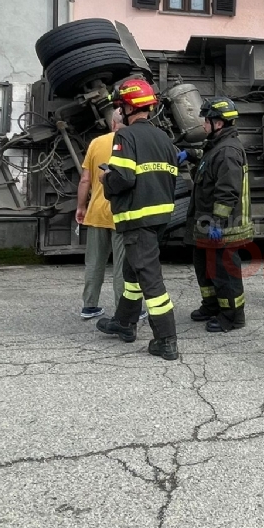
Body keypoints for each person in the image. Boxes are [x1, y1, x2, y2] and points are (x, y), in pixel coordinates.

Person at [97, 77, 180, 359]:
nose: (117, 112)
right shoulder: (164, 139)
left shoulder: (126, 136)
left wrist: (105, 178)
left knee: (150, 280)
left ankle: (166, 340)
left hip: (136, 219)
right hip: (159, 219)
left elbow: (123, 178)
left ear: (129, 108)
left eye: (119, 106)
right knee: (132, 276)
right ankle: (124, 323)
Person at [186, 98, 253, 333]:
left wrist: (216, 222)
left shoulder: (228, 152)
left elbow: (227, 192)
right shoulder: (217, 146)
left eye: (206, 119)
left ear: (218, 123)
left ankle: (233, 316)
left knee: (225, 273)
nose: (203, 124)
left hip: (223, 227)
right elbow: (209, 164)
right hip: (207, 224)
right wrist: (192, 155)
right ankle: (212, 305)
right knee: (205, 267)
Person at [76, 110, 125, 319]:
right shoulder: (133, 143)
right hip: (122, 212)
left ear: (113, 123)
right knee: (122, 265)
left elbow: (85, 180)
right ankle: (124, 309)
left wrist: (81, 207)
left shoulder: (96, 142)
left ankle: (89, 306)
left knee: (95, 262)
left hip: (96, 211)